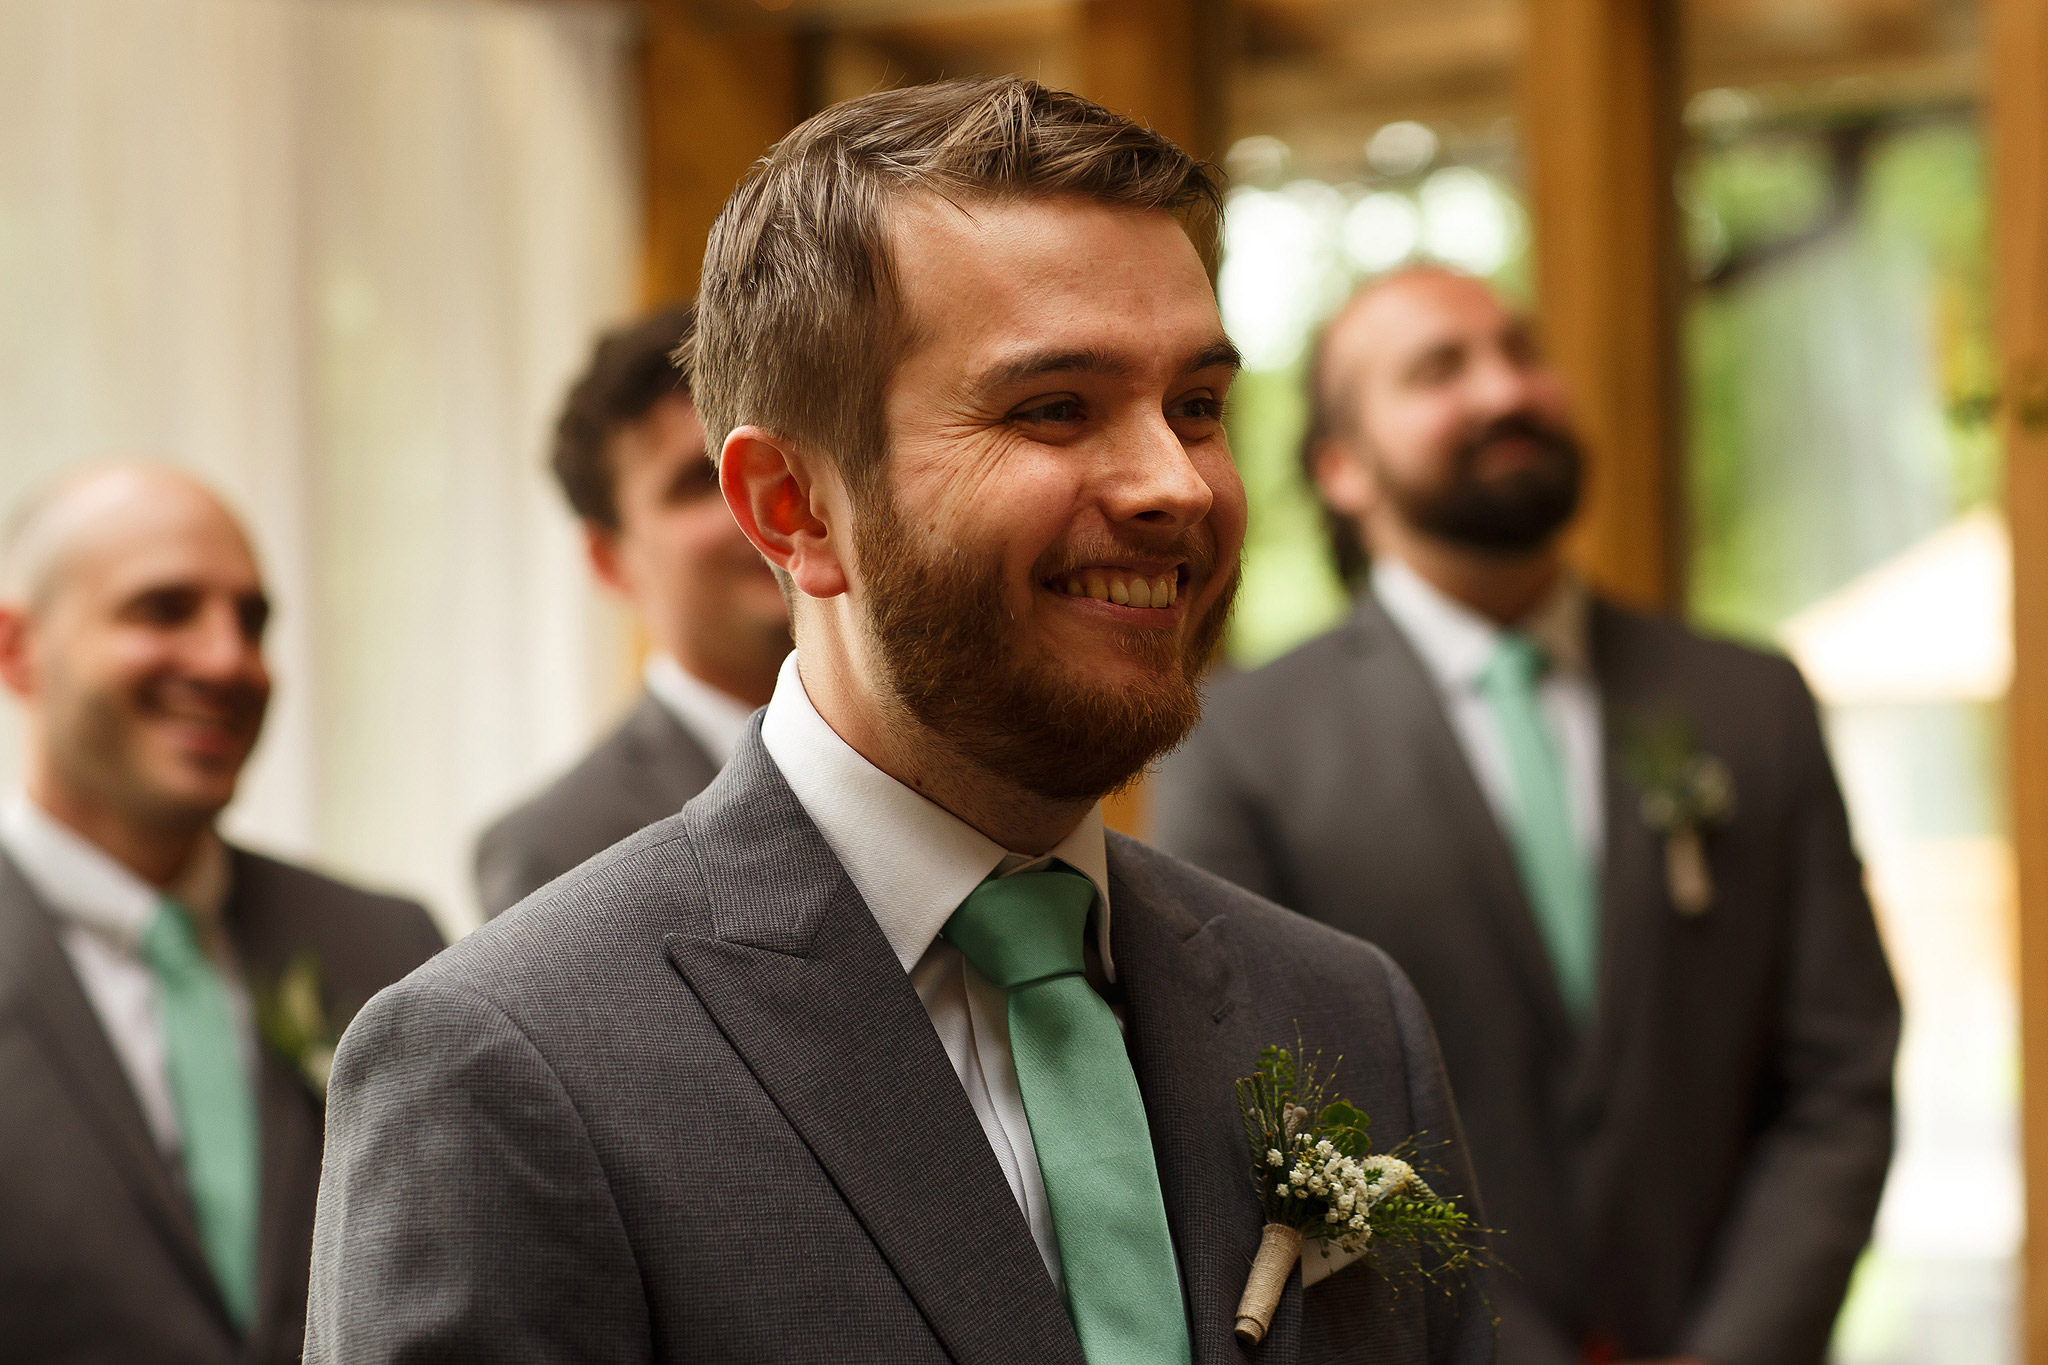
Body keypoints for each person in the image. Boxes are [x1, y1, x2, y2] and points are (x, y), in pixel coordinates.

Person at [305, 79, 1491, 1365]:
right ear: (791, 507)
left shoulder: (1341, 1012)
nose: (1172, 485)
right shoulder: (507, 1067)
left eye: (1195, 407)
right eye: (1054, 407)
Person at [1152, 267, 1900, 1365]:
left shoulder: (1750, 704)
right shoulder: (1243, 744)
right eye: (1437, 370)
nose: (1504, 390)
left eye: (1520, 352)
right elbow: (1258, 1127)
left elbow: (1837, 1074)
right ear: (1340, 467)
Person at [0, 465, 444, 1363]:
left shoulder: (389, 946)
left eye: (253, 621)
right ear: (16, 648)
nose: (228, 661)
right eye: (165, 609)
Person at [473, 304, 790, 918]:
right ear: (608, 559)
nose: (765, 506)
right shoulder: (557, 852)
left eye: (776, 460)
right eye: (702, 482)